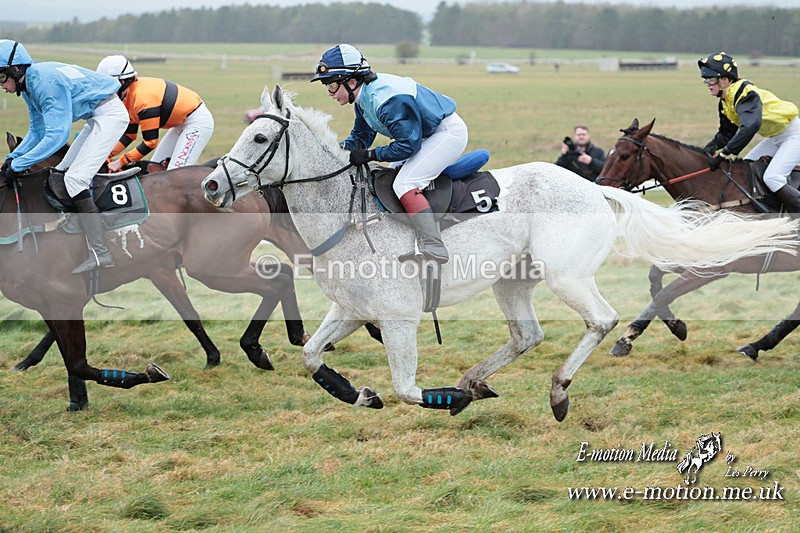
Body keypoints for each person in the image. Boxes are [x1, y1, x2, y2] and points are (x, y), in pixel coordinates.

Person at [310, 44, 468, 264]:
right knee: (385, 177)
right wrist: (328, 152)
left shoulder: (387, 100)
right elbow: (360, 139)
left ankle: (434, 245)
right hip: (423, 136)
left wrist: (371, 155)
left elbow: (407, 146)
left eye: (333, 85)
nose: (330, 92)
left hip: (446, 133)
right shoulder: (363, 98)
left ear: (352, 81)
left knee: (404, 184)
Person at [0, 40, 129, 274]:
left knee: (74, 180)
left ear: (15, 70)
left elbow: (57, 137)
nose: (1, 85)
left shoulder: (45, 84)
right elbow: (37, 131)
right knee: (60, 173)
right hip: (96, 116)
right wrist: (14, 157)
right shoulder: (30, 83)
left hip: (110, 116)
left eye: (1, 77)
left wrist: (20, 164)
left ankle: (101, 253)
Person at [699, 52, 800, 212]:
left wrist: (724, 154)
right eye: (705, 80)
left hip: (794, 135)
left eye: (711, 79)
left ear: (725, 80)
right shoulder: (725, 101)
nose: (707, 84)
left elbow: (751, 126)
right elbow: (726, 134)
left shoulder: (744, 93)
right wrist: (707, 151)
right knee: (745, 168)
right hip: (776, 137)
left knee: (773, 178)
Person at [96, 55, 214, 172]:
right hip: (181, 123)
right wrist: (106, 155)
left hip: (197, 122)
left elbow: (150, 143)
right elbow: (129, 135)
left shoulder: (142, 99)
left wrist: (121, 161)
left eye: (108, 85)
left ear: (122, 82)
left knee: (174, 175)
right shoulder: (127, 97)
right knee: (153, 171)